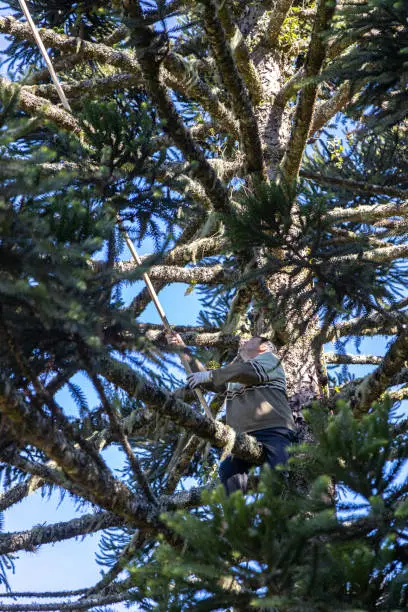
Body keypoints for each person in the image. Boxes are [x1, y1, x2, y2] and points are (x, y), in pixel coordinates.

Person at [167, 333, 296, 495]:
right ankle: (236, 517)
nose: (244, 342)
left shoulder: (270, 360)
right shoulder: (235, 374)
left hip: (273, 430)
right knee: (228, 472)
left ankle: (279, 516)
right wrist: (183, 349)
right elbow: (211, 377)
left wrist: (211, 374)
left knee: (277, 479)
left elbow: (238, 372)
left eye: (250, 340)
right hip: (243, 436)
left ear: (263, 347)